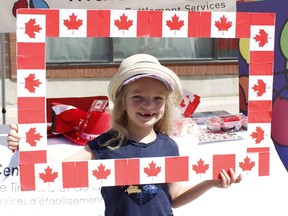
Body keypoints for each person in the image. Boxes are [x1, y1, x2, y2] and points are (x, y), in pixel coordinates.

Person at [7, 53, 242, 216]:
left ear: (165, 105)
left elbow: (175, 197)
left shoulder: (169, 147)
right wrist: (28, 147)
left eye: (157, 98)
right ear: (123, 102)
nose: (148, 105)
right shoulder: (105, 145)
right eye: (137, 96)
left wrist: (211, 182)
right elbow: (57, 171)